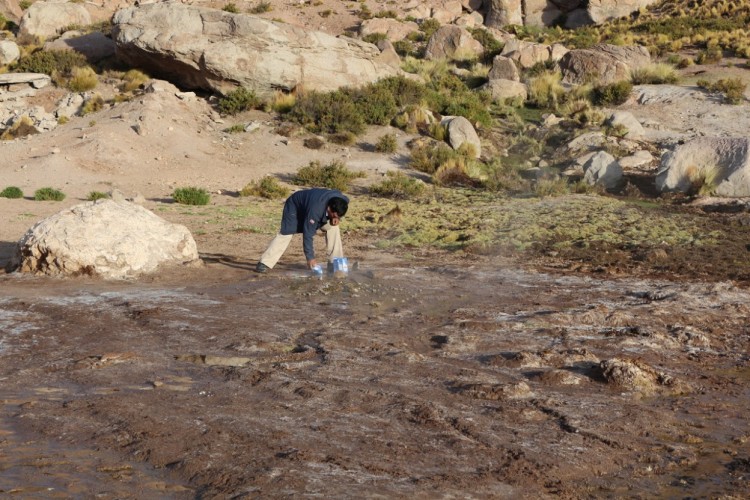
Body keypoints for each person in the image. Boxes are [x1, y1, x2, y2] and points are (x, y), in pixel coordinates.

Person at [255, 188, 349, 273]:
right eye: (335, 215)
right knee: (287, 232)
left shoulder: (342, 200)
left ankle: (335, 262)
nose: (336, 217)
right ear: (329, 209)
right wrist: (310, 258)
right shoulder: (316, 210)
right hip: (295, 207)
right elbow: (308, 234)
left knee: (333, 228)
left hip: (311, 206)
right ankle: (265, 262)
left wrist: (337, 218)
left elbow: (344, 202)